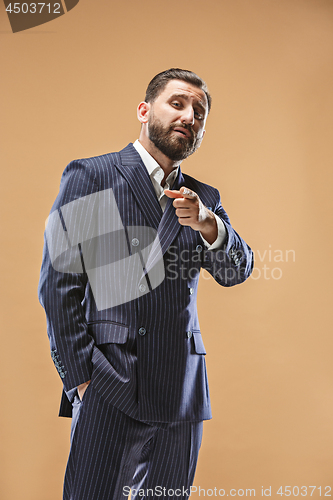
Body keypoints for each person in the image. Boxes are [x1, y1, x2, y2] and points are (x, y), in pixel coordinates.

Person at [38, 68, 253, 500]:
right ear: (144, 110)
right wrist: (82, 381)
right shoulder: (92, 175)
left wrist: (210, 225)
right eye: (178, 103)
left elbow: (236, 271)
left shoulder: (204, 198)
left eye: (199, 112)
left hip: (181, 389)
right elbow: (58, 287)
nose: (189, 116)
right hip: (111, 380)